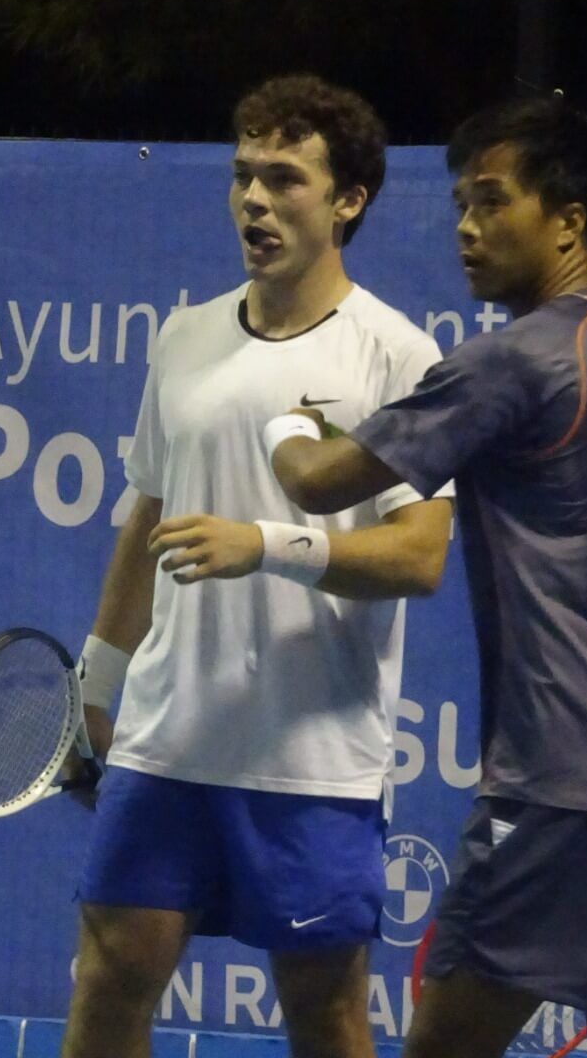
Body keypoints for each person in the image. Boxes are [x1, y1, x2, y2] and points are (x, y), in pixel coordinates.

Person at [267, 96, 587, 1058]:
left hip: (561, 793)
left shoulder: (517, 361)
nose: (467, 230)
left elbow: (317, 484)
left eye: (491, 202)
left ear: (569, 220)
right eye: (460, 207)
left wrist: (285, 419)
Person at [62, 74, 454, 1058]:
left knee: (325, 1019)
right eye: (243, 177)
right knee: (108, 983)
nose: (254, 200)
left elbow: (419, 557)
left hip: (310, 760)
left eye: (284, 180)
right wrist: (97, 684)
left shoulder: (398, 358)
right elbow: (146, 514)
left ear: (347, 201)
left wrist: (267, 546)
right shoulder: (184, 339)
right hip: (166, 744)